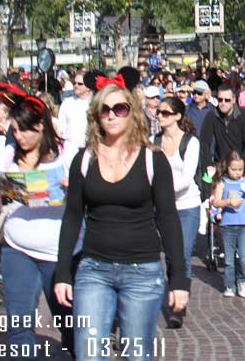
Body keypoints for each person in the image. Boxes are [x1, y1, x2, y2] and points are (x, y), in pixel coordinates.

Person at [53, 84, 189, 360]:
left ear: (132, 114)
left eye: (120, 108)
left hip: (142, 271)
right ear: (96, 117)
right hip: (93, 270)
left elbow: (168, 218)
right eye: (105, 110)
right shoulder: (84, 159)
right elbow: (72, 217)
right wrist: (63, 271)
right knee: (88, 353)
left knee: (136, 354)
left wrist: (179, 280)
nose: (112, 115)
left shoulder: (153, 160)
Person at [0, 82, 76, 358]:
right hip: (18, 247)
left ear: (41, 126)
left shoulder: (67, 153)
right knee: (19, 322)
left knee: (69, 323)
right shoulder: (7, 155)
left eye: (25, 129)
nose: (19, 136)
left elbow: (86, 200)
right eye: (15, 130)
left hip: (58, 251)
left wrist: (74, 189)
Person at [153, 95, 200, 327]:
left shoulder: (190, 142)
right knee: (166, 256)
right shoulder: (154, 140)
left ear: (178, 116)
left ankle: (178, 307)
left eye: (165, 113)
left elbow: (186, 178)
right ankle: (172, 291)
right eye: (158, 112)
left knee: (182, 254)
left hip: (187, 205)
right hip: (162, 207)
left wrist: (160, 190)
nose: (160, 116)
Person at [210, 150, 245, 298]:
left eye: (240, 169)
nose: (237, 173)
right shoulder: (223, 182)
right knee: (228, 260)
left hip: (244, 226)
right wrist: (227, 202)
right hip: (227, 226)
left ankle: (242, 280)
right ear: (227, 167)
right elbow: (215, 201)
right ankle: (229, 285)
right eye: (234, 169)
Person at [199, 84, 245, 182]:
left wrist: (242, 166)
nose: (223, 103)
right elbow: (204, 142)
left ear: (234, 100)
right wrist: (208, 164)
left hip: (243, 166)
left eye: (227, 100)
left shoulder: (244, 116)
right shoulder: (212, 115)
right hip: (222, 166)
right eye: (220, 100)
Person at [56, 69, 92, 159]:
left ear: (88, 86)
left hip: (89, 149)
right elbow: (61, 128)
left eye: (80, 84)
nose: (76, 86)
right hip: (69, 151)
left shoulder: (95, 103)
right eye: (74, 83)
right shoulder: (67, 103)